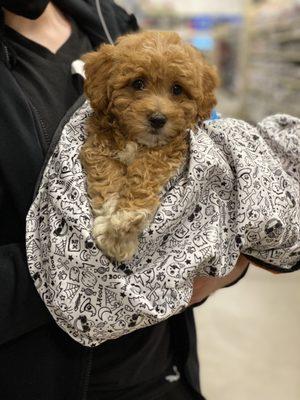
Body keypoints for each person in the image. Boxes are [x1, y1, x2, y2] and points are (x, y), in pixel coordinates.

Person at [0, 1, 250, 399]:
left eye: (176, 91)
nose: (157, 108)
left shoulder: (111, 20)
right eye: (138, 85)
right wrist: (89, 276)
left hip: (162, 369)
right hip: (49, 379)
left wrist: (223, 263)